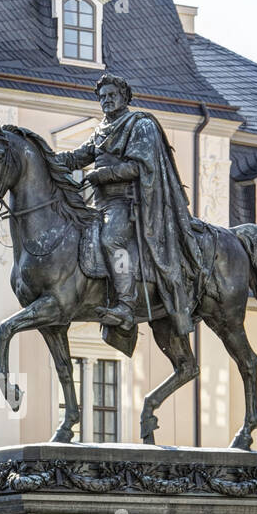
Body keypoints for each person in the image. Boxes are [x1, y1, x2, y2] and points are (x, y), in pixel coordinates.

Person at [55, 72, 209, 339]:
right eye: (102, 97)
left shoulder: (140, 125)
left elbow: (141, 166)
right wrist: (47, 158)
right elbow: (80, 156)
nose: (107, 101)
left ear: (124, 96)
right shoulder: (102, 129)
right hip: (101, 203)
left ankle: (126, 304)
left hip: (129, 203)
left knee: (112, 239)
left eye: (112, 95)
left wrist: (101, 175)